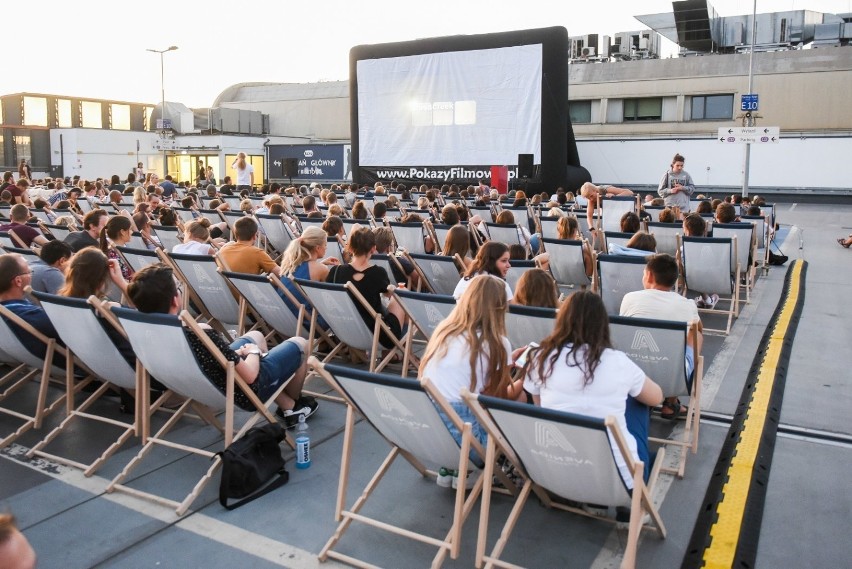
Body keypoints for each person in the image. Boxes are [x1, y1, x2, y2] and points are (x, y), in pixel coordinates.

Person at [127, 263, 316, 426]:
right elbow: (250, 376)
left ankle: (286, 405)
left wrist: (249, 350)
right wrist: (253, 352)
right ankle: (294, 406)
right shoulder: (197, 331)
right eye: (177, 287)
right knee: (300, 343)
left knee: (256, 335)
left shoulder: (144, 330)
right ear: (175, 300)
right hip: (240, 393)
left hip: (203, 387)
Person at [525, 290, 663, 487]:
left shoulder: (541, 358)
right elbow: (656, 397)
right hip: (619, 482)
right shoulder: (618, 362)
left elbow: (540, 408)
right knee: (638, 401)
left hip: (555, 474)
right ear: (602, 325)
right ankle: (638, 472)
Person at [419, 275, 521, 478]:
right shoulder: (497, 343)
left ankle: (453, 471)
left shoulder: (444, 332)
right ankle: (488, 471)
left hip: (431, 437)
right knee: (522, 398)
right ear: (500, 309)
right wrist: (526, 377)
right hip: (469, 444)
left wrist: (507, 361)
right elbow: (498, 401)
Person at [619, 253, 701, 420]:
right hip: (670, 374)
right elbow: (699, 329)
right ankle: (670, 402)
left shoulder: (629, 298)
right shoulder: (686, 305)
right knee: (697, 335)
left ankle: (643, 398)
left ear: (649, 275)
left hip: (633, 371)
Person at [326, 227, 406, 349]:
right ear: (373, 249)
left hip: (344, 332)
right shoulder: (378, 273)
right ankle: (403, 353)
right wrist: (398, 291)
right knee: (400, 296)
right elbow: (388, 295)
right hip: (377, 335)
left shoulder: (336, 271)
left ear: (350, 247)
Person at [0, 253, 67, 367]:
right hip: (65, 364)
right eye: (29, 272)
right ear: (18, 281)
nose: (31, 275)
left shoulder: (6, 311)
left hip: (25, 358)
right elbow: (69, 332)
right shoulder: (29, 314)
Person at [99, 214, 134, 282]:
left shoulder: (116, 250)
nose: (132, 232)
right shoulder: (114, 255)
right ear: (122, 232)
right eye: (130, 229)